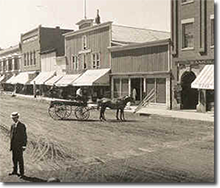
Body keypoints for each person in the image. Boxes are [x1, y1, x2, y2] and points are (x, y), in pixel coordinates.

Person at [9, 112, 27, 178]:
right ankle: (15, 171)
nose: (13, 119)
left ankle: (22, 173)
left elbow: (24, 136)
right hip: (14, 146)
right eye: (13, 118)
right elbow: (11, 135)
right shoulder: (12, 125)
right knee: (14, 159)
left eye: (15, 118)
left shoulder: (22, 126)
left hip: (19, 146)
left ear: (17, 118)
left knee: (20, 160)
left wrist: (24, 145)